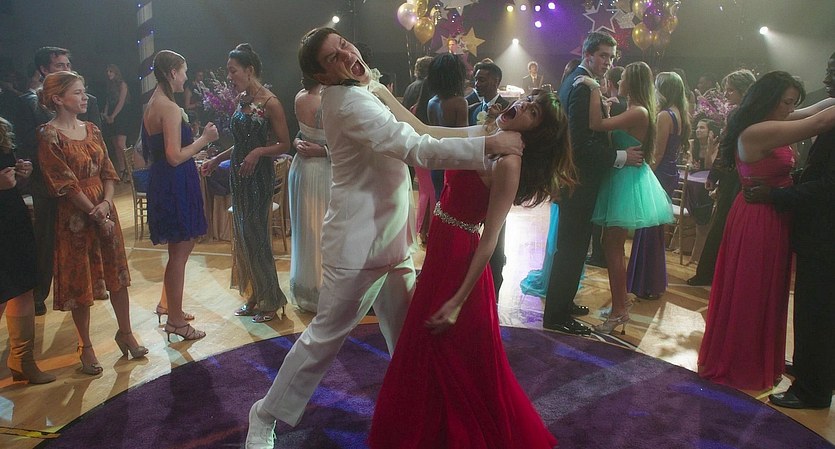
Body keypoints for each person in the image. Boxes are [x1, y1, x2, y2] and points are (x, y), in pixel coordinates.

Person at [245, 27, 524, 448]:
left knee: (410, 341)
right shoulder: (349, 102)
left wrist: (487, 138)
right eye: (333, 57)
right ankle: (264, 414)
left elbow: (422, 129)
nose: (346, 55)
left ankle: (416, 417)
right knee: (323, 340)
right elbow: (416, 148)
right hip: (357, 247)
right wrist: (489, 146)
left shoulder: (363, 87)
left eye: (344, 45)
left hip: (392, 239)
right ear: (322, 76)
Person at [369, 92, 572, 448]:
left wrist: (459, 300)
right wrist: (382, 92)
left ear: (536, 131)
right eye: (528, 100)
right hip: (441, 253)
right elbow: (423, 130)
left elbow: (490, 239)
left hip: (461, 262)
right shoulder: (486, 133)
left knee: (454, 359)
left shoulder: (509, 163)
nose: (522, 106)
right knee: (429, 349)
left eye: (533, 111)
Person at [697, 71, 835, 391]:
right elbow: (820, 121)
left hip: (774, 215)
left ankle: (759, 359)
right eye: (786, 102)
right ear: (769, 100)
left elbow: (817, 109)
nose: (791, 109)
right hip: (758, 218)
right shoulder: (758, 130)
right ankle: (742, 363)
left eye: (793, 103)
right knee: (752, 292)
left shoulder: (772, 119)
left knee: (767, 293)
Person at [37, 71, 148, 374]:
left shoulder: (93, 129)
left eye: (83, 91)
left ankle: (126, 332)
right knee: (80, 281)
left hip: (103, 208)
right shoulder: (48, 134)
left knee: (118, 274)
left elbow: (108, 172)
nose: (84, 97)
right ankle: (85, 345)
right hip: (75, 216)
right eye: (77, 92)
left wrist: (106, 205)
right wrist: (94, 212)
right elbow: (64, 182)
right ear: (58, 99)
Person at [542, 31, 643, 336]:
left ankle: (564, 302)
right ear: (588, 55)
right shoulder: (582, 86)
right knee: (571, 248)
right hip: (578, 178)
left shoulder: (580, 81)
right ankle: (556, 314)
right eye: (602, 56)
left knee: (574, 245)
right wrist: (621, 156)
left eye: (611, 57)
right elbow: (581, 144)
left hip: (576, 177)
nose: (607, 62)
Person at [754, 53, 835, 409]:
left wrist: (777, 195)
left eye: (833, 70)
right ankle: (814, 371)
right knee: (816, 308)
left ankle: (813, 389)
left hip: (826, 235)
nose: (827, 76)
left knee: (816, 310)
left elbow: (828, 186)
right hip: (820, 232)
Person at [575, 62, 673, 334]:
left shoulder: (639, 111)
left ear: (633, 82)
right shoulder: (635, 110)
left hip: (625, 181)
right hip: (621, 176)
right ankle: (620, 303)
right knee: (611, 245)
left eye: (623, 78)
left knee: (613, 247)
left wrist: (593, 88)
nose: (618, 81)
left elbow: (595, 124)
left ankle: (619, 310)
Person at [200, 44, 290, 323]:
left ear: (249, 70)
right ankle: (254, 295)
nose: (229, 76)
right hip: (238, 176)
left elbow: (284, 144)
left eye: (233, 71)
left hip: (259, 177)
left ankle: (271, 300)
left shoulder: (270, 103)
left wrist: (258, 152)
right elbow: (240, 144)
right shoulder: (242, 99)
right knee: (242, 236)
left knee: (258, 237)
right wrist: (216, 160)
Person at [14, 46, 102, 316]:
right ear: (43, 70)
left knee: (88, 239)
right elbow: (27, 143)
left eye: (67, 64)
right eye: (59, 65)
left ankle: (89, 289)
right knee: (45, 241)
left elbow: (96, 143)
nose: (66, 69)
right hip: (47, 185)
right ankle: (40, 294)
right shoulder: (30, 103)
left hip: (84, 183)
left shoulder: (87, 101)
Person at [143, 50, 219, 341]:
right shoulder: (170, 108)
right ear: (173, 72)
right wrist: (204, 139)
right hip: (175, 183)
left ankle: (168, 305)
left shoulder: (153, 103)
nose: (186, 77)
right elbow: (174, 156)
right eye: (184, 71)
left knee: (177, 251)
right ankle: (175, 321)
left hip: (164, 181)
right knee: (180, 251)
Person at [686, 69, 756, 286]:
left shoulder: (739, 115)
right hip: (745, 176)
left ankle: (708, 273)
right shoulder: (753, 113)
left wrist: (715, 174)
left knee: (721, 225)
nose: (726, 95)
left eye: (730, 90)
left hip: (735, 178)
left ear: (744, 90)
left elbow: (726, 146)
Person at [0, 117, 55, 385]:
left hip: (12, 215)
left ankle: (22, 360)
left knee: (23, 287)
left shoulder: (1, 128)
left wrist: (22, 171)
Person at [625, 71, 688, 301]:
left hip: (659, 173)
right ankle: (650, 282)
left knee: (648, 229)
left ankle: (646, 283)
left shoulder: (664, 115)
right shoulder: (679, 113)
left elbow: (658, 153)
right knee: (654, 230)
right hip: (670, 173)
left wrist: (645, 177)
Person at [287, 76, 331, 313]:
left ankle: (310, 288)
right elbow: (347, 143)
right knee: (320, 230)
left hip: (302, 167)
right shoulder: (331, 99)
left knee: (310, 229)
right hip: (322, 170)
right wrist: (323, 150)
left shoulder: (299, 97)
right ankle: (322, 291)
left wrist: (297, 142)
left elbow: (299, 134)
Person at [467, 61, 511, 296]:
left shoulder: (509, 109)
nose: (477, 84)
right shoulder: (473, 107)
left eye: (482, 79)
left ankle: (493, 288)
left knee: (496, 236)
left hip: (497, 180)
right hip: (476, 179)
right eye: (476, 79)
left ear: (496, 81)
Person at [103, 64, 131, 182]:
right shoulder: (109, 86)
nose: (109, 73)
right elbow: (108, 102)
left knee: (121, 143)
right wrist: (106, 114)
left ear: (116, 72)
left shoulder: (122, 84)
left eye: (111, 71)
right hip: (111, 115)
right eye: (107, 71)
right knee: (115, 145)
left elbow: (121, 102)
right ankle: (122, 170)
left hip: (121, 115)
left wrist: (113, 115)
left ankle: (130, 170)